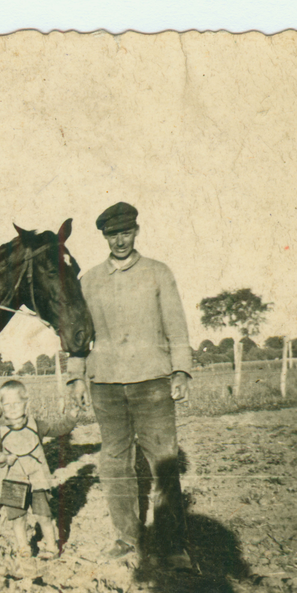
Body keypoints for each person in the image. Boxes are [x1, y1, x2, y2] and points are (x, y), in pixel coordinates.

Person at [67, 202, 194, 570]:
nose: (120, 240)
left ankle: (173, 547)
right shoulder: (88, 280)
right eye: (112, 234)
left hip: (152, 382)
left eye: (126, 232)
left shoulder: (158, 273)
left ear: (136, 231)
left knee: (163, 463)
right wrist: (77, 376)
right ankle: (125, 539)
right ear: (104, 236)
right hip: (105, 385)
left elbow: (176, 325)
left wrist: (181, 370)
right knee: (114, 463)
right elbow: (78, 336)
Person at [0, 380, 79, 560]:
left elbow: (58, 429)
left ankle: (51, 546)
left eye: (17, 403)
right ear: (1, 406)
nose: (12, 408)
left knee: (43, 515)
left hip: (38, 479)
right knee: (17, 518)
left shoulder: (36, 425)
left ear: (26, 404)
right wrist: (2, 458)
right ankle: (23, 547)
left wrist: (71, 417)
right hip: (12, 480)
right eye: (7, 404)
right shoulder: (0, 431)